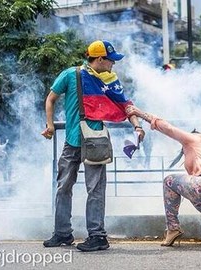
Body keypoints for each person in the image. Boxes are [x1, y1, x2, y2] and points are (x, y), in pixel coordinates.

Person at [41, 40, 145, 252]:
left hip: (95, 140)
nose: (113, 65)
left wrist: (137, 127)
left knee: (95, 189)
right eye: (110, 60)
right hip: (73, 140)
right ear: (99, 59)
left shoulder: (110, 81)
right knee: (63, 187)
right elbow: (50, 99)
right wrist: (50, 125)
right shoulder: (71, 74)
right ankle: (62, 233)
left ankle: (97, 236)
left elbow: (126, 105)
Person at [124, 104, 201, 247]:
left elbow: (168, 128)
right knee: (196, 197)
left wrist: (140, 114)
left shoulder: (195, 139)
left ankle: (173, 228)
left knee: (169, 181)